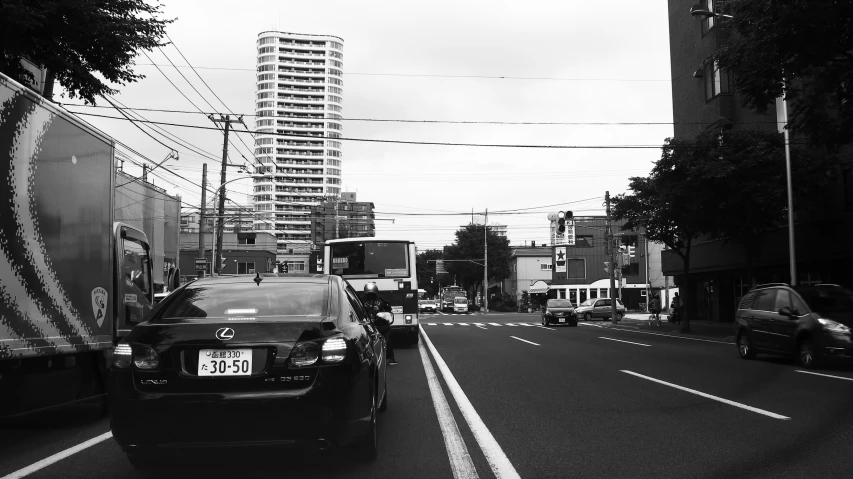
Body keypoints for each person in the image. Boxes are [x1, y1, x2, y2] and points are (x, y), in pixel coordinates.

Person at [363, 284, 397, 365]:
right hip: (377, 326)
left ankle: (389, 357)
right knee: (387, 336)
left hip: (367, 326)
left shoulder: (361, 301)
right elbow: (388, 310)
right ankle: (390, 358)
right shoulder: (381, 301)